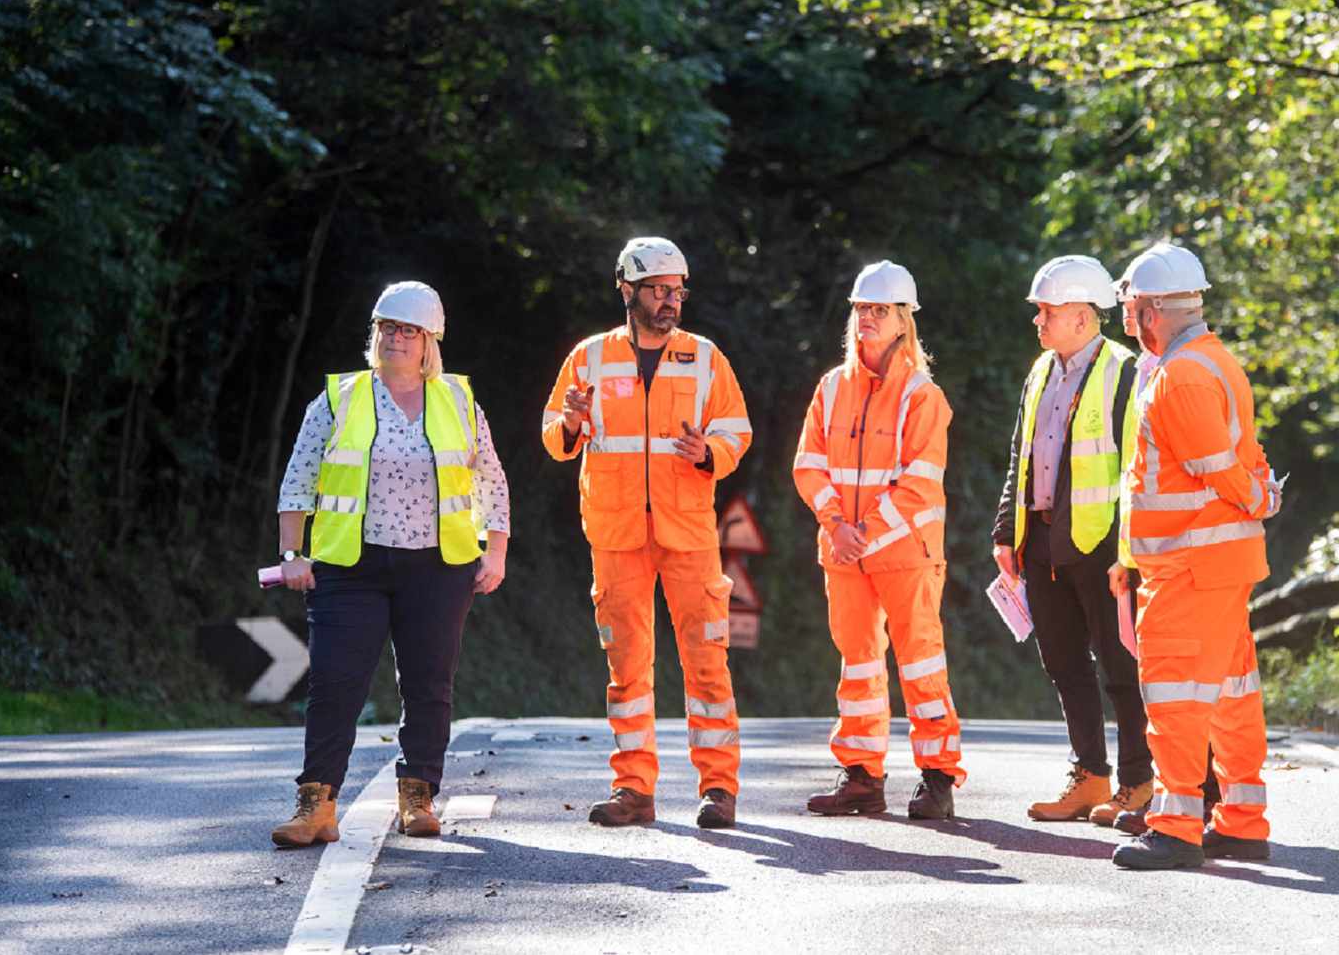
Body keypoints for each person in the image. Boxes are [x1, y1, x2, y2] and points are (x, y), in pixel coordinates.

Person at [271, 281, 510, 848]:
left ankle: (419, 796)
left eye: (408, 331)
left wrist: (495, 551)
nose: (396, 339)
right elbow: (297, 481)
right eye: (387, 329)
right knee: (334, 683)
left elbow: (491, 482)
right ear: (373, 335)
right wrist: (291, 556)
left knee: (429, 684)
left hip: (438, 567)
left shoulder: (457, 401)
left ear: (430, 342)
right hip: (349, 568)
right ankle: (316, 804)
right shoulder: (339, 398)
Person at [541, 236, 752, 830]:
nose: (670, 301)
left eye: (677, 290)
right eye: (659, 290)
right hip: (616, 531)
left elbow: (737, 430)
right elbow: (553, 431)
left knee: (707, 662)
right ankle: (634, 787)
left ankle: (718, 787)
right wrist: (573, 424)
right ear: (627, 290)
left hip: (688, 530)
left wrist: (709, 451)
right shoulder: (589, 357)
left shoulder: (706, 357)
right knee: (627, 667)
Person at [1108, 244, 1283, 870]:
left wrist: (1256, 498)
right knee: (1233, 694)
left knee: (1174, 695)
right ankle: (1240, 821)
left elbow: (1216, 468)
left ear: (1152, 309)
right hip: (1216, 564)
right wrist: (1259, 494)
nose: (1126, 319)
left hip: (1187, 567)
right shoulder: (1215, 363)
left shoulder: (1179, 375)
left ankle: (1177, 826)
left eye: (1130, 307)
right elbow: (1247, 455)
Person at [793, 261, 964, 820]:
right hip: (845, 554)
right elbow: (808, 465)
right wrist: (836, 526)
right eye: (861, 309)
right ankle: (862, 775)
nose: (867, 318)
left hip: (903, 552)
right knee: (858, 663)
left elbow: (919, 481)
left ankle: (937, 778)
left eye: (879, 310)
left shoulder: (922, 395)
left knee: (920, 662)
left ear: (902, 321)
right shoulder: (830, 387)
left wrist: (861, 532)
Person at [990, 256, 1152, 826]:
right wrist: (1005, 529)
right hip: (1043, 544)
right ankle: (1090, 777)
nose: (1038, 321)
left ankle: (1138, 780)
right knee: (1063, 663)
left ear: (1083, 317)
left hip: (1103, 546)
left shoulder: (1124, 373)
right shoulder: (1041, 371)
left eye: (1047, 311)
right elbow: (1021, 456)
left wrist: (1128, 553)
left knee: (1119, 666)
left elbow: (1137, 467)